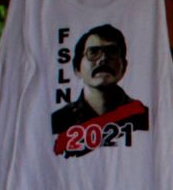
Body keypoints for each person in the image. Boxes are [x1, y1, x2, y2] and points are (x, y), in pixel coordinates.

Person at [52, 24, 150, 156]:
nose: (103, 59)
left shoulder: (144, 118)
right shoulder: (58, 121)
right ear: (77, 68)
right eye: (93, 52)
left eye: (112, 51)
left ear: (124, 66)